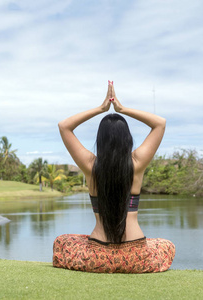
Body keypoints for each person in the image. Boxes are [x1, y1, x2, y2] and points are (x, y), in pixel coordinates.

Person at [53, 81, 175, 273]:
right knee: (166, 245)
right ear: (127, 139)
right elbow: (160, 123)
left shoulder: (90, 166)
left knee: (62, 241)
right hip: (136, 256)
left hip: (97, 256)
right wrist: (122, 108)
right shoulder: (136, 163)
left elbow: (64, 126)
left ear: (99, 140)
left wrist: (100, 109)